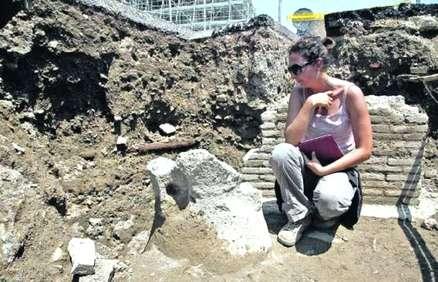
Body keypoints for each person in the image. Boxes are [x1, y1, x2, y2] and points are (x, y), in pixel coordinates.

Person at [270, 36, 373, 247]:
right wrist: (309, 104)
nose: (293, 76)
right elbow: (290, 140)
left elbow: (365, 150)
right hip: (307, 162)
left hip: (339, 168)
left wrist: (325, 171)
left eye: (297, 69)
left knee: (330, 200)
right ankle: (299, 217)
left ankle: (324, 215)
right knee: (281, 152)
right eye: (291, 70)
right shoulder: (299, 93)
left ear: (317, 64)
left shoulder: (350, 93)